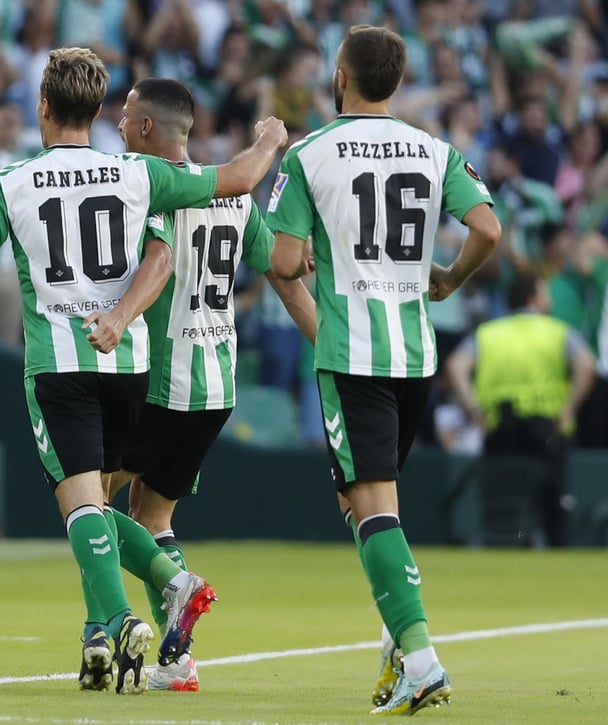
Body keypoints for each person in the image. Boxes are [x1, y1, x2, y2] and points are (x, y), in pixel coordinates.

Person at [0, 46, 289, 694]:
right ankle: (154, 595)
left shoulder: (11, 183)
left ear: (42, 107)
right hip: (129, 363)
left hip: (60, 363)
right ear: (100, 111)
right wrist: (269, 140)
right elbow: (237, 181)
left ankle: (125, 617)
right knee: (99, 505)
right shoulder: (135, 173)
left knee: (82, 506)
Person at [267, 25, 500, 716]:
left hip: (354, 355)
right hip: (415, 354)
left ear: (341, 77)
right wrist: (451, 281)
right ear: (395, 83)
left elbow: (281, 263)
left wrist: (310, 258)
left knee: (371, 507)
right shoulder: (435, 150)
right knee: (366, 504)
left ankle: (421, 657)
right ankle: (399, 650)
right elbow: (488, 229)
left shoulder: (310, 153)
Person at [108, 77, 317, 692]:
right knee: (152, 518)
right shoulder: (231, 199)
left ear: (148, 127)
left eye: (125, 117)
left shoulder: (154, 190)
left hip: (163, 382)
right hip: (216, 386)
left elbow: (157, 261)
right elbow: (279, 267)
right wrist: (329, 345)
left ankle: (173, 590)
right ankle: (176, 662)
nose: (119, 127)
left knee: (83, 502)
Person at [443, 271, 596, 547]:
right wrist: (569, 408)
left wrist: (474, 409)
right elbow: (586, 366)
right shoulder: (557, 331)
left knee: (502, 497)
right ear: (533, 298)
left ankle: (501, 546)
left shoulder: (488, 333)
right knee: (552, 501)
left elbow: (456, 366)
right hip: (547, 428)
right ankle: (554, 553)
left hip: (498, 426)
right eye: (544, 292)